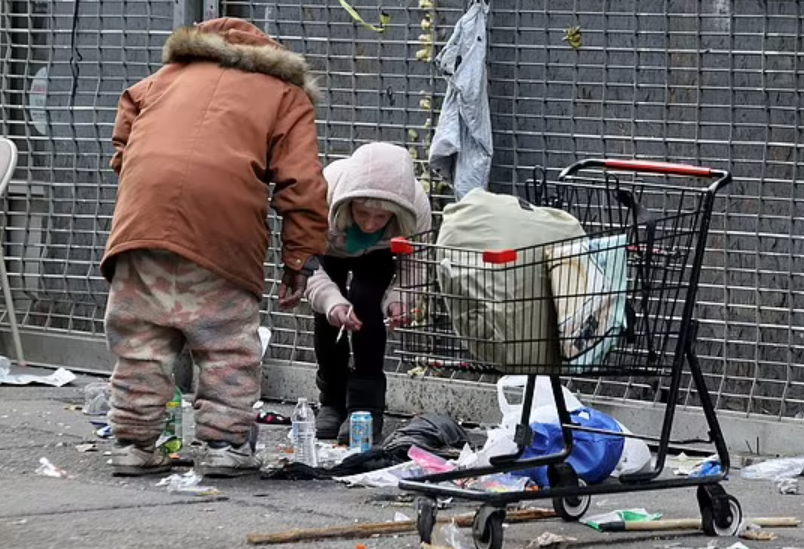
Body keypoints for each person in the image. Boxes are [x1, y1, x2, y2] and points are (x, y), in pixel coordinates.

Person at [101, 17, 329, 477]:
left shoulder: (164, 78)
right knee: (225, 343)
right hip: (221, 230)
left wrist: (139, 173)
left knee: (141, 340)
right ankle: (226, 447)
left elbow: (125, 131)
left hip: (141, 218)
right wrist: (300, 259)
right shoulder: (284, 93)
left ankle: (131, 444)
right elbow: (302, 184)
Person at [306, 142, 432, 444]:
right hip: (329, 249)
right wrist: (332, 302)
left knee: (366, 304)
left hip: (380, 253)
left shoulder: (417, 203)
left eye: (381, 217)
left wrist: (401, 298)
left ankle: (366, 405)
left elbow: (417, 262)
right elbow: (305, 262)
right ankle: (332, 401)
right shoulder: (323, 192)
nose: (369, 222)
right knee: (329, 318)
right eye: (362, 213)